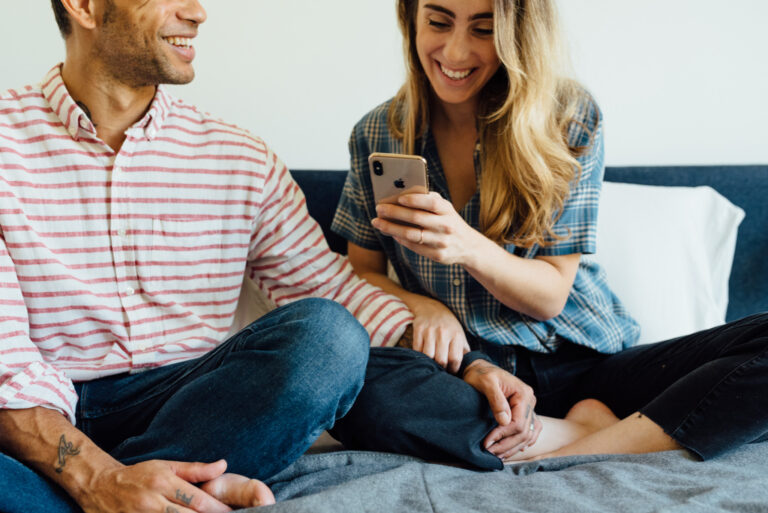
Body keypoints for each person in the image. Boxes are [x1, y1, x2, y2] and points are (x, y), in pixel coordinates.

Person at [0, 1, 415, 512]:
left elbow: (333, 293)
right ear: (85, 6)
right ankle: (132, 494)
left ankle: (122, 494)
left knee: (328, 338)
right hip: (41, 419)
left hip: (193, 405)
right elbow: (5, 364)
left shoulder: (241, 157)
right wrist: (94, 477)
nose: (197, 12)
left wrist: (460, 357)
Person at [329, 0, 768, 467]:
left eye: (485, 29)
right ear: (411, 21)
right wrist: (422, 307)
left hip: (585, 366)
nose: (455, 52)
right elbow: (362, 271)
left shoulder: (568, 116)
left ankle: (569, 447)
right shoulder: (376, 132)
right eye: (438, 22)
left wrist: (466, 245)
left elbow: (550, 297)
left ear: (519, 37)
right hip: (472, 379)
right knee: (337, 382)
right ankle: (595, 433)